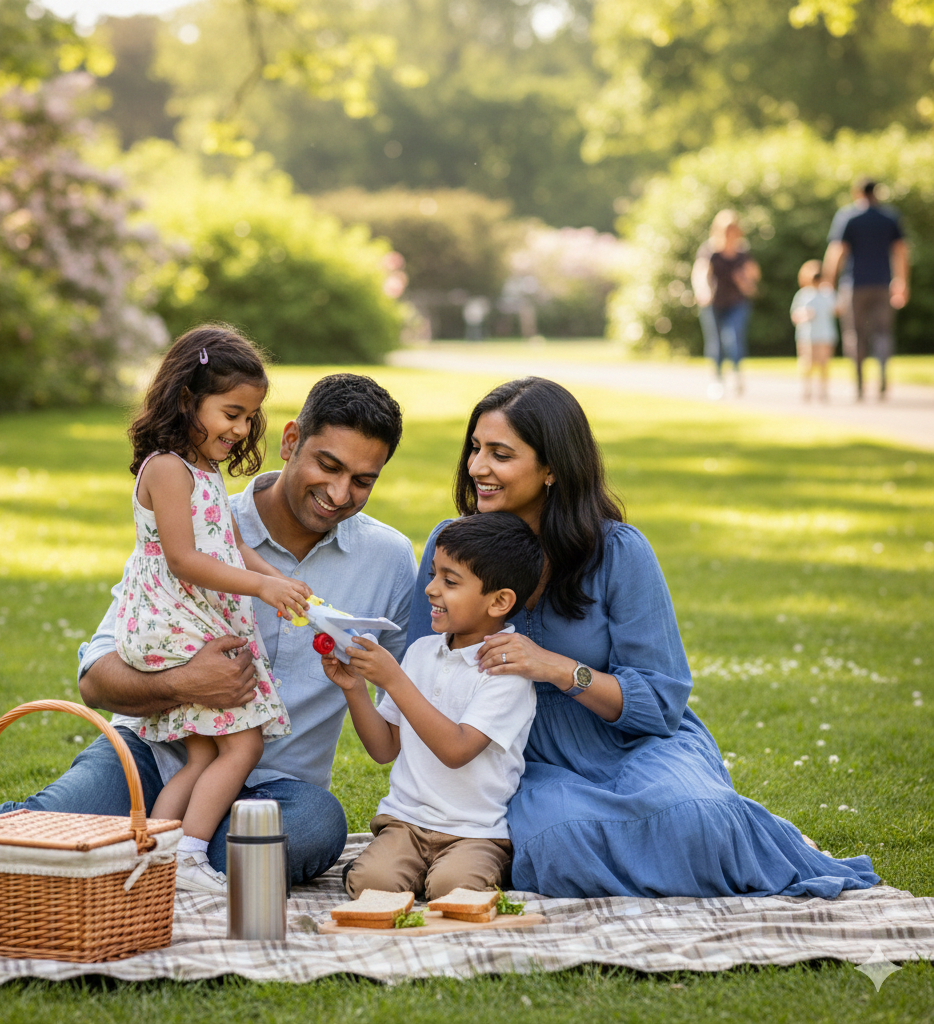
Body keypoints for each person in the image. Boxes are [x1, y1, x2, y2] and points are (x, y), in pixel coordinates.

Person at [0, 372, 417, 888]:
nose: (338, 492)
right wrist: (184, 684)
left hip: (276, 790)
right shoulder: (195, 518)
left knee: (313, 827)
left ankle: (138, 854)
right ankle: (130, 849)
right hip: (155, 755)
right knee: (46, 825)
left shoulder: (391, 560)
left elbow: (409, 696)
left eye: (362, 479)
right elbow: (96, 680)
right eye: (327, 465)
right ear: (291, 442)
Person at [405, 376, 880, 900]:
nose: (476, 468)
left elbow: (660, 700)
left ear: (552, 468)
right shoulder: (451, 546)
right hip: (523, 757)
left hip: (633, 742)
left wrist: (558, 668)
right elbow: (417, 670)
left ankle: (744, 835)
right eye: (475, 448)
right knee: (559, 844)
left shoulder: (619, 553)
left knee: (698, 817)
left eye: (500, 453)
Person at [115, 325, 312, 892]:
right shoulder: (168, 469)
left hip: (193, 619)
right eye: (231, 412)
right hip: (174, 622)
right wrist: (260, 591)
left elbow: (235, 548)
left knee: (202, 755)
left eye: (250, 417)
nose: (242, 429)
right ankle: (193, 855)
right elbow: (183, 559)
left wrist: (286, 584)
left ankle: (152, 856)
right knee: (243, 742)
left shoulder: (203, 472)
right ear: (186, 399)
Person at [324, 512, 543, 900]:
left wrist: (393, 679)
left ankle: (471, 872)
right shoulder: (421, 653)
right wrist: (355, 688)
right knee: (373, 885)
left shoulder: (507, 671)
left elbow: (456, 750)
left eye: (450, 581)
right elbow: (384, 748)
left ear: (499, 602)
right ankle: (383, 868)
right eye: (433, 575)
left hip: (474, 832)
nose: (431, 589)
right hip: (406, 823)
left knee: (451, 889)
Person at [823, 179, 909, 401]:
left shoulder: (848, 217)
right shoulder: (889, 217)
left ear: (857, 193)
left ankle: (860, 385)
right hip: (882, 284)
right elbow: (900, 252)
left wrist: (828, 282)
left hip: (854, 285)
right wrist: (901, 282)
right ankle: (882, 381)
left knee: (855, 334)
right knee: (882, 334)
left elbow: (837, 251)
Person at [691, 211, 761, 397]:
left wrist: (745, 280)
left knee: (734, 337)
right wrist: (703, 290)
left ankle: (737, 375)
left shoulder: (742, 251)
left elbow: (754, 274)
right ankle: (717, 380)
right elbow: (700, 272)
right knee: (716, 342)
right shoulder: (710, 250)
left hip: (737, 302)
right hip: (713, 302)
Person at [790, 260, 839, 403]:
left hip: (825, 335)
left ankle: (823, 392)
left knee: (824, 364)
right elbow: (795, 315)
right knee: (807, 364)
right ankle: (807, 390)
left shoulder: (828, 293)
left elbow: (837, 310)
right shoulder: (803, 295)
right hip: (807, 336)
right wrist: (805, 315)